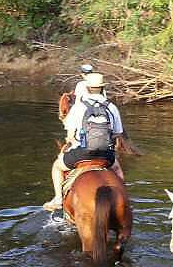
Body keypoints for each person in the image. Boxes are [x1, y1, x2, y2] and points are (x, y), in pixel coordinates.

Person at [43, 73, 125, 211]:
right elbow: (117, 133)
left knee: (57, 167)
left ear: (86, 88)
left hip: (83, 153)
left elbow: (70, 135)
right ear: (102, 88)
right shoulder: (111, 107)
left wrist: (74, 140)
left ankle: (58, 199)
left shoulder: (78, 107)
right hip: (106, 154)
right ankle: (124, 200)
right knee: (118, 170)